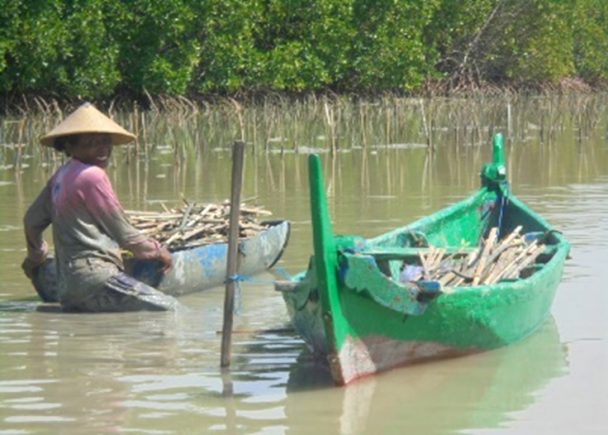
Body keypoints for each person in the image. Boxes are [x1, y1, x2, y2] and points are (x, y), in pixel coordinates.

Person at [22, 102, 179, 312]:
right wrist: (158, 251)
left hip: (66, 287)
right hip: (97, 279)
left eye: (105, 142)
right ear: (69, 146)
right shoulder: (92, 176)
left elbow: (31, 222)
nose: (103, 149)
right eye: (91, 143)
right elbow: (124, 234)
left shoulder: (61, 176)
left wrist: (36, 258)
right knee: (171, 309)